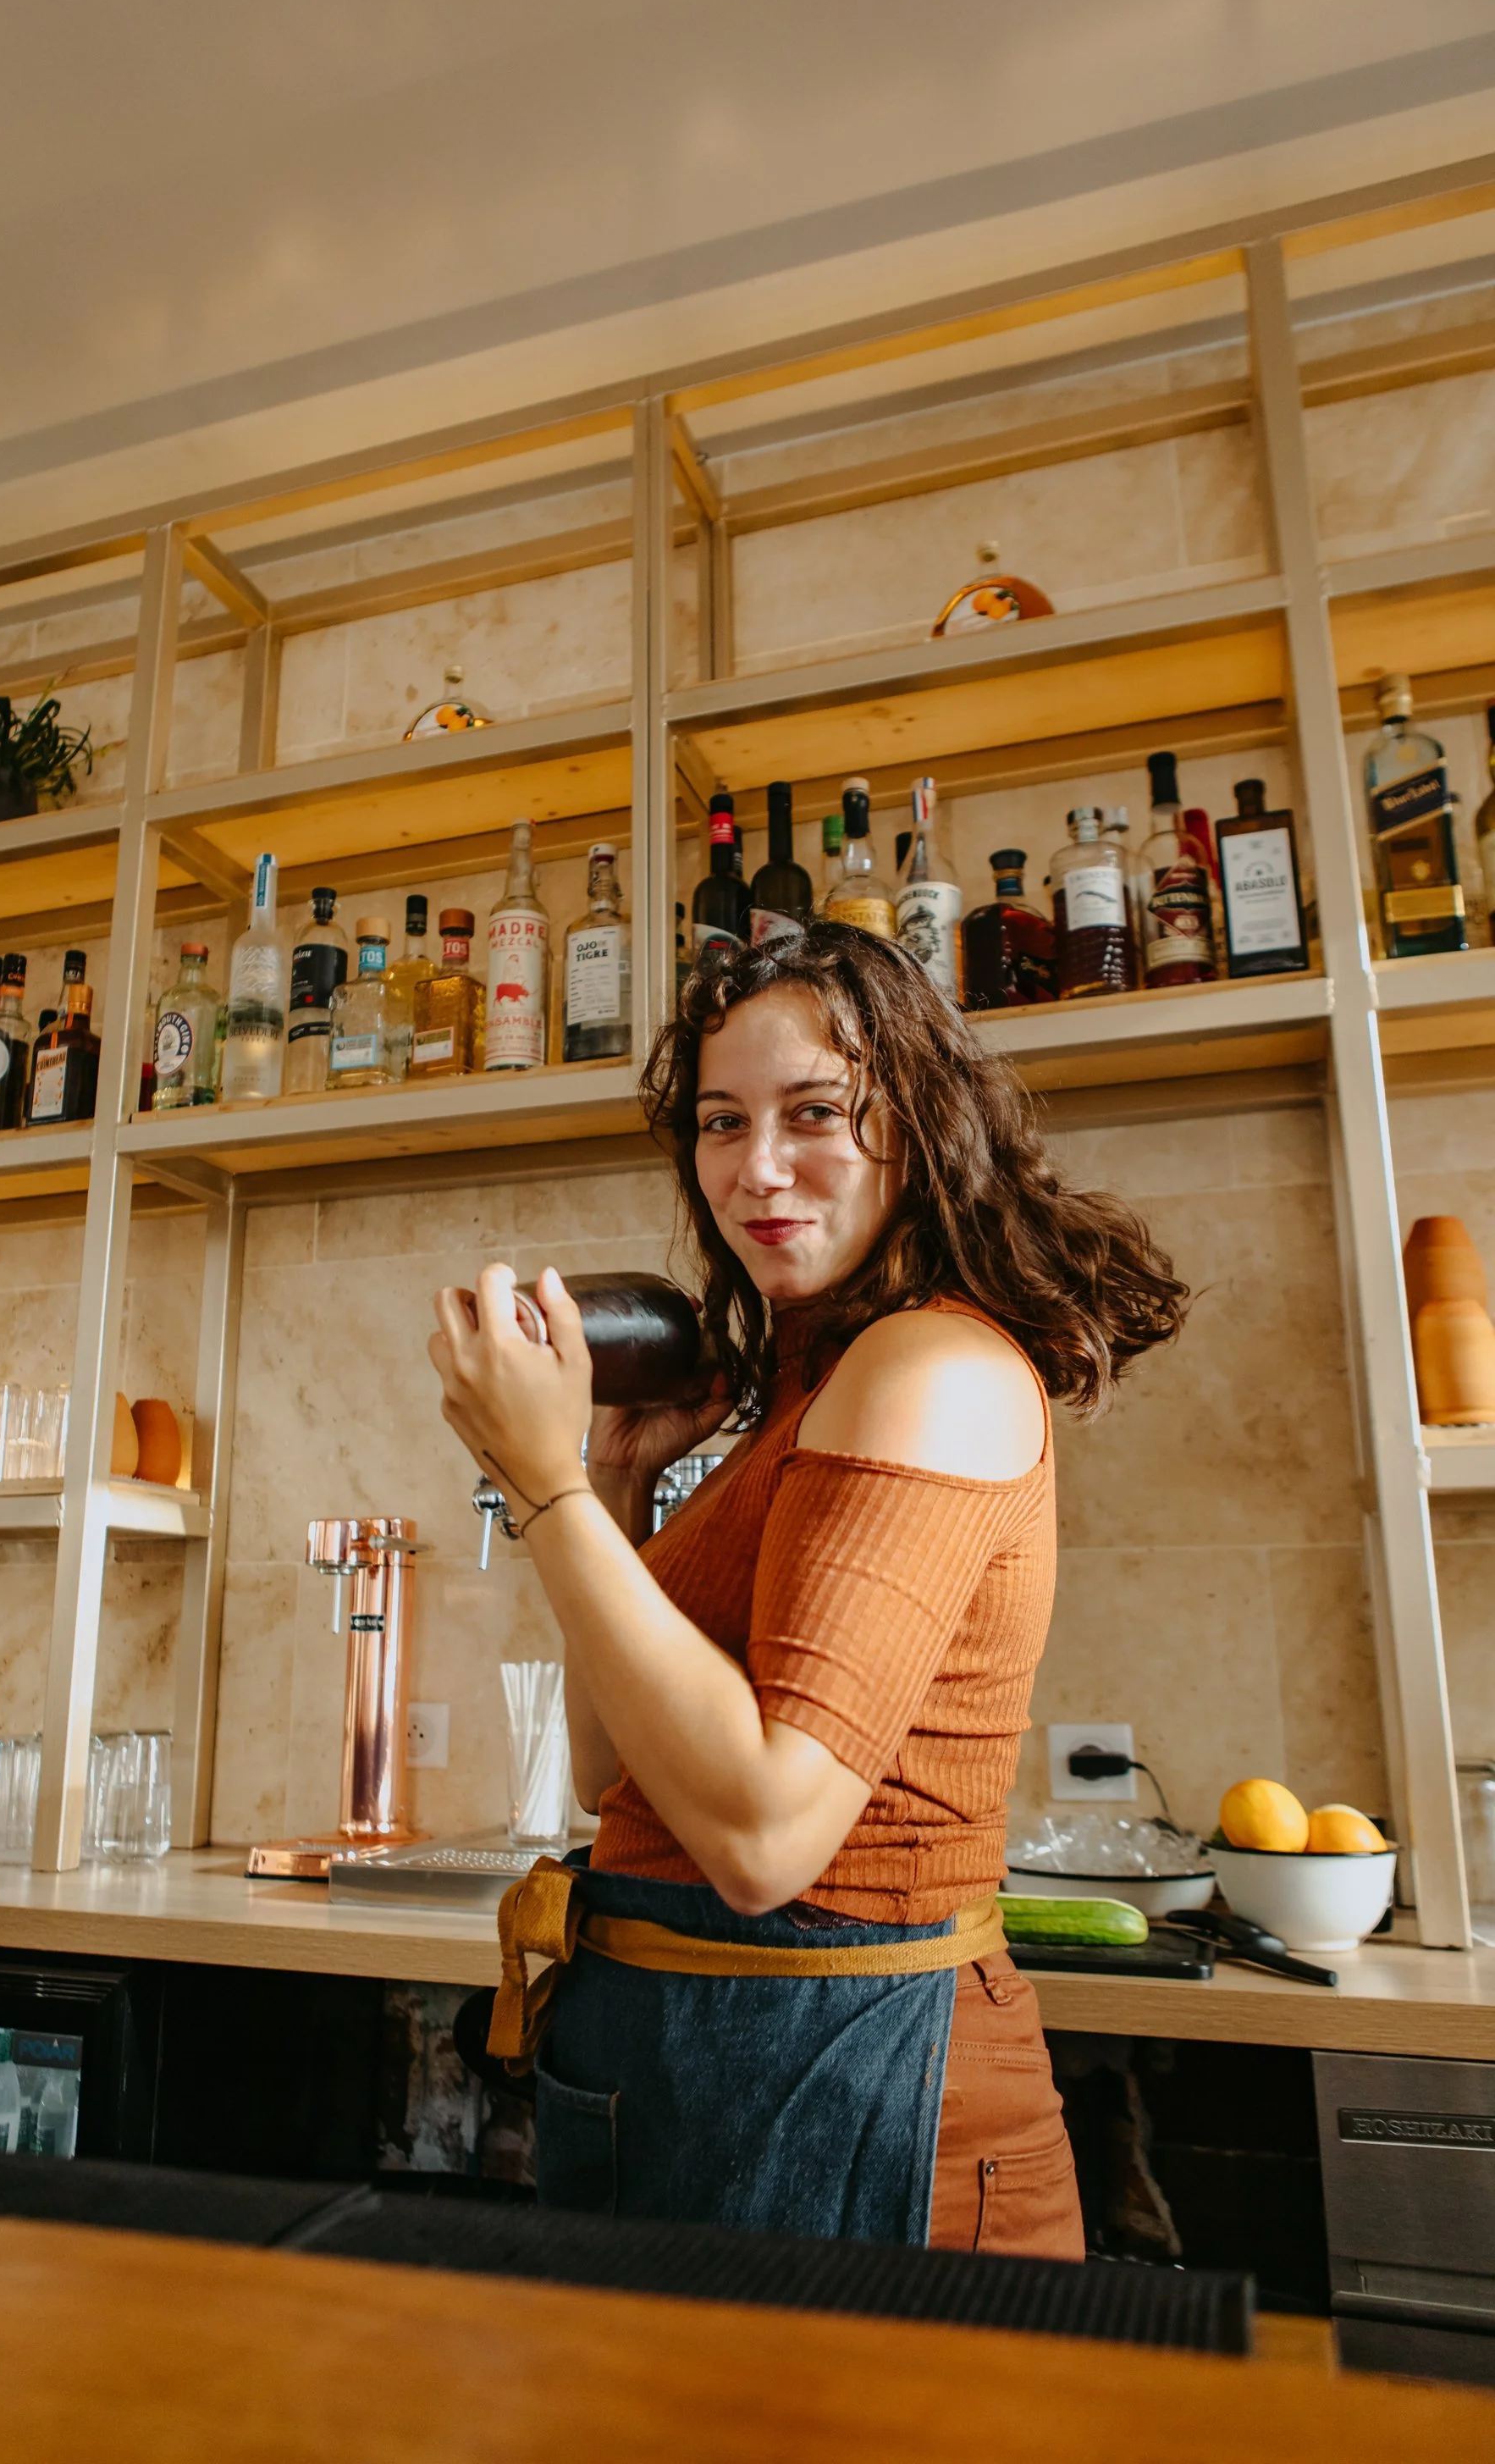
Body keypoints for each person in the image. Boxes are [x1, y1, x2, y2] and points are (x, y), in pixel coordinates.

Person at [429, 924, 1189, 2252]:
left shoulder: (928, 1368)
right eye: (722, 1124)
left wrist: (539, 1485)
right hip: (689, 2062)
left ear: (919, 1129)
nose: (757, 1170)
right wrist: (606, 1487)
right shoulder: (810, 1393)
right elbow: (613, 1766)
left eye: (815, 1113)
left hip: (850, 2075)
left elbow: (767, 1837)